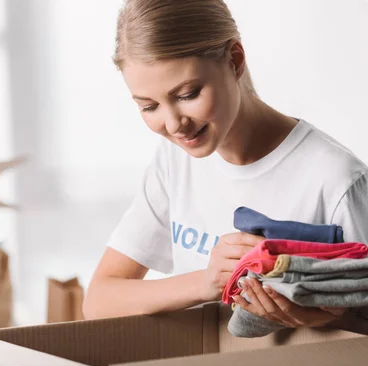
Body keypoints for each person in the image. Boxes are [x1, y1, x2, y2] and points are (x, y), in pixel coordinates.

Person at [83, 0, 368, 329]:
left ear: (235, 60)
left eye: (188, 94)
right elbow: (99, 300)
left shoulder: (337, 180)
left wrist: (323, 316)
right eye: (149, 107)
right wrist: (206, 283)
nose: (174, 124)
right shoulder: (174, 163)